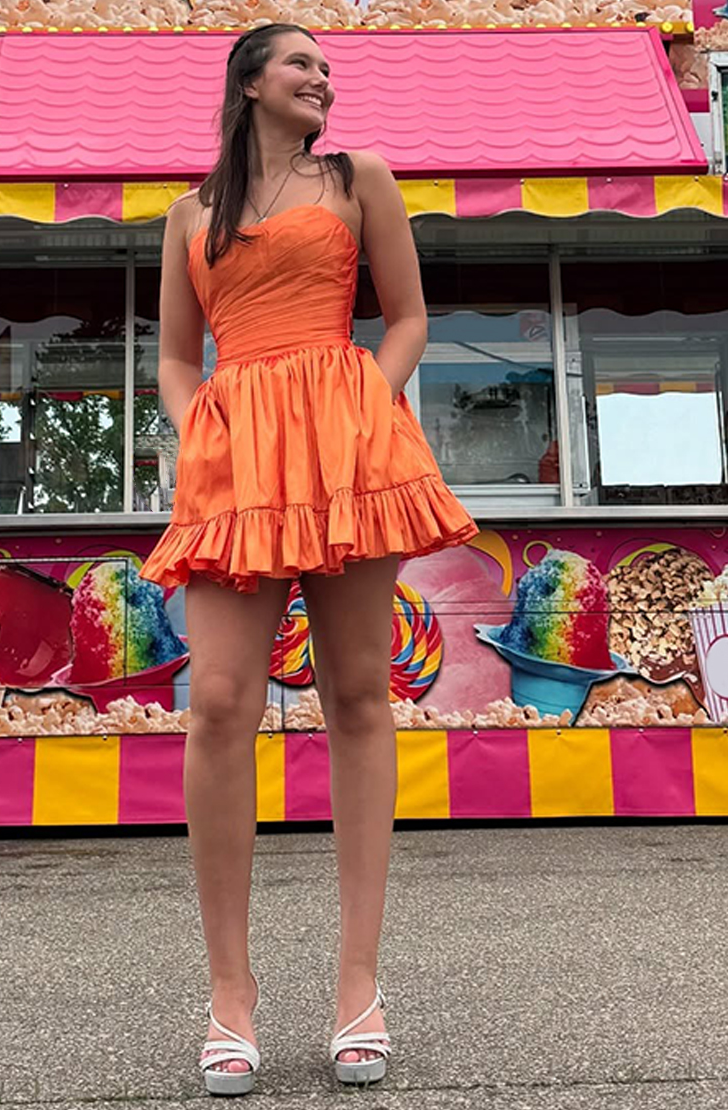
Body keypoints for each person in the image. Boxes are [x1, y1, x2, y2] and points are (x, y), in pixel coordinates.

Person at [139, 23, 478, 1096]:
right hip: (235, 457)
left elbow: (411, 317)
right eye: (300, 64)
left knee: (360, 696)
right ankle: (229, 997)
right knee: (222, 703)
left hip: (345, 443)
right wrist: (203, 433)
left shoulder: (361, 177)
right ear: (250, 82)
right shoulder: (189, 214)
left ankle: (357, 990)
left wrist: (360, 413)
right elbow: (177, 354)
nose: (321, 78)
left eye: (325, 68)